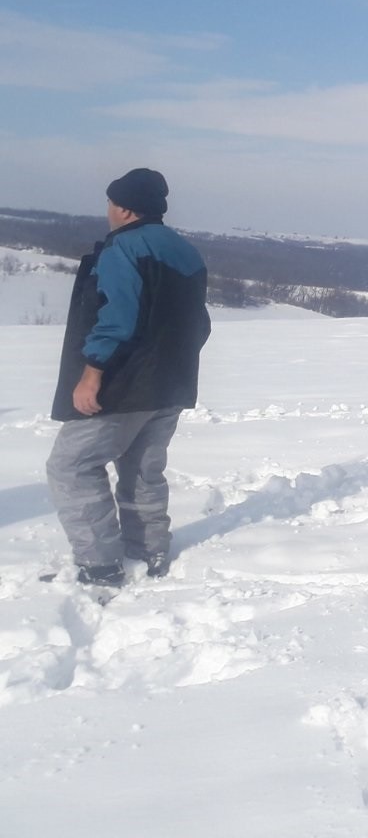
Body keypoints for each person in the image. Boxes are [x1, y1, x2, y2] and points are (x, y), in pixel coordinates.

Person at [46, 169, 211, 589]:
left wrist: (91, 375)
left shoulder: (123, 248)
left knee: (71, 466)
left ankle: (99, 566)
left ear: (123, 207)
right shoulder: (187, 252)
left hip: (123, 384)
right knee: (142, 468)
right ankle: (149, 551)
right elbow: (200, 325)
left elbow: (117, 318)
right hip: (171, 384)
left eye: (110, 203)